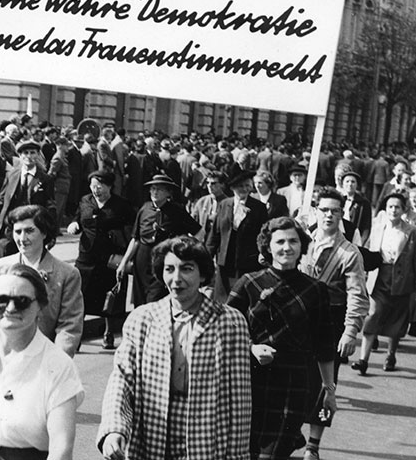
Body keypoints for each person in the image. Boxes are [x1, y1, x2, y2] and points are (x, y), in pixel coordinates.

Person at [98, 236, 251, 460]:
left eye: (187, 269)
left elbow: (239, 399)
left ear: (203, 275)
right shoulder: (142, 318)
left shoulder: (229, 321)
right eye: (169, 269)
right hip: (151, 434)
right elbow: (122, 378)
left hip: (207, 439)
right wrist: (114, 428)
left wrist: (237, 455)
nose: (176, 278)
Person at [227, 217, 337, 460]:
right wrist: (251, 347)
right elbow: (223, 330)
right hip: (251, 380)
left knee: (274, 453)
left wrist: (329, 390)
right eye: (280, 242)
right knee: (249, 450)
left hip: (296, 382)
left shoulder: (315, 289)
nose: (287, 247)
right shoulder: (249, 283)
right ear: (267, 246)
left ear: (302, 246)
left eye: (293, 241)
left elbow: (324, 344)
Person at [0, 263, 83, 460]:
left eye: (22, 301)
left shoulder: (58, 365)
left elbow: (61, 448)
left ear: (40, 306)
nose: (11, 308)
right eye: (1, 300)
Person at [298, 188, 368, 460]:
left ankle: (314, 445)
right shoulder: (301, 241)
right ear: (316, 210)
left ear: (342, 214)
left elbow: (357, 295)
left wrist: (351, 331)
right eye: (324, 209)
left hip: (329, 323)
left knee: (326, 387)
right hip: (297, 320)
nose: (329, 215)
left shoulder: (349, 253)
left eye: (334, 211)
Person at [0, 205, 84, 357]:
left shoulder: (67, 274)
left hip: (43, 358)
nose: (22, 239)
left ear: (44, 233)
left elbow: (69, 327)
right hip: (3, 357)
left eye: (29, 231)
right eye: (18, 232)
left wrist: (56, 363)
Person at [352, 193, 416, 374]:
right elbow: (369, 253)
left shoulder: (413, 231)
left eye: (397, 207)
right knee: (372, 315)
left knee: (397, 319)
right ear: (385, 209)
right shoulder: (378, 228)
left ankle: (391, 355)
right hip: (379, 277)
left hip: (402, 280)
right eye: (390, 206)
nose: (393, 210)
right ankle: (363, 360)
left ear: (403, 210)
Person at [66, 171, 135, 349]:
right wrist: (74, 224)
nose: (96, 190)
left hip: (110, 258)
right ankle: (77, 336)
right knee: (79, 295)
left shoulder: (122, 205)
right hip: (86, 257)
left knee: (110, 296)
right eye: (93, 186)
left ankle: (109, 333)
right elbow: (78, 217)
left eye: (100, 186)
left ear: (109, 186)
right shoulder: (85, 201)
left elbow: (131, 231)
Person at [117, 175, 201, 306]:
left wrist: (184, 250)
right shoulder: (144, 209)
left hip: (163, 261)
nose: (155, 192)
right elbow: (135, 239)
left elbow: (199, 233)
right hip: (142, 261)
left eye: (160, 189)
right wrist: (123, 263)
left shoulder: (177, 210)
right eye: (153, 189)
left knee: (156, 299)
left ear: (168, 193)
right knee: (140, 301)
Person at [0, 140, 57, 258]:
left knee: (30, 263)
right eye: (25, 153)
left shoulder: (45, 179)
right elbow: (1, 201)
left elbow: (50, 207)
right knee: (5, 258)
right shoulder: (12, 175)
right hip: (11, 227)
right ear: (20, 155)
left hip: (33, 228)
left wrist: (52, 234)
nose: (29, 156)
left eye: (32, 153)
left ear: (38, 155)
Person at [206, 170, 269, 301]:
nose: (244, 189)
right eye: (241, 186)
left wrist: (263, 253)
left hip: (248, 262)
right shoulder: (224, 204)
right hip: (225, 261)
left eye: (247, 185)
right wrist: (206, 257)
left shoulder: (259, 207)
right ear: (233, 187)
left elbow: (264, 235)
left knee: (243, 297)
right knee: (222, 298)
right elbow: (215, 234)